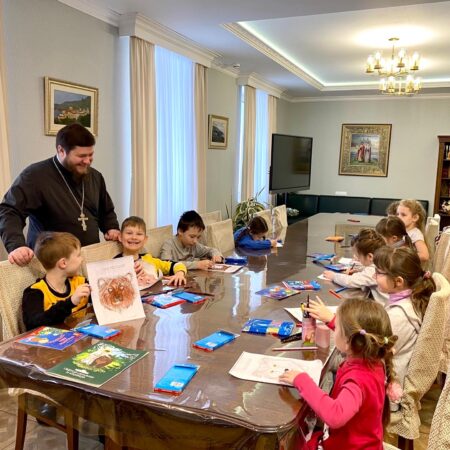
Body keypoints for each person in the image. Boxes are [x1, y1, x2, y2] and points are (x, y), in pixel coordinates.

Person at [280, 297, 398, 450]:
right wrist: (331, 320)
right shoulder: (375, 359)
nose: (334, 329)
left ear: (350, 342)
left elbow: (335, 415)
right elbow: (355, 334)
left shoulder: (357, 380)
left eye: (337, 328)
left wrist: (301, 380)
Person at [0, 123, 120, 267]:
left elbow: (105, 210)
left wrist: (111, 227)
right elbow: (9, 210)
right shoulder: (35, 176)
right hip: (50, 265)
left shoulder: (95, 176)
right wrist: (16, 245)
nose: (87, 161)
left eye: (91, 155)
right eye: (81, 156)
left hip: (88, 260)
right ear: (61, 150)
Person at [373, 246, 435, 387]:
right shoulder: (411, 297)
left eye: (378, 273)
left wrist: (334, 322)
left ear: (399, 281)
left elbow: (374, 351)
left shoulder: (400, 315)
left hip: (389, 384)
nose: (373, 277)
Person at [22, 232, 90, 331]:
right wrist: (71, 302)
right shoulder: (34, 292)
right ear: (63, 263)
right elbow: (33, 324)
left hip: (81, 337)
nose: (82, 259)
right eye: (78, 255)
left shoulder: (80, 282)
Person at [322, 228, 388, 304]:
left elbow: (350, 281)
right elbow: (369, 267)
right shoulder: (383, 262)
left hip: (385, 309)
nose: (356, 258)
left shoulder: (374, 271)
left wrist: (333, 276)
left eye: (358, 256)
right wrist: (360, 270)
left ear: (370, 256)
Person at [117, 216, 187, 287]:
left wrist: (180, 274)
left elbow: (177, 265)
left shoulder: (149, 259)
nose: (134, 237)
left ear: (145, 239)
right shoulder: (115, 263)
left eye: (139, 234)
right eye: (129, 233)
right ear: (120, 237)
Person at [396, 199, 429, 263]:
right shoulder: (403, 231)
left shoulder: (415, 234)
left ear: (415, 218)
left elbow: (424, 256)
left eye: (403, 215)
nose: (398, 217)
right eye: (397, 214)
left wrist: (402, 256)